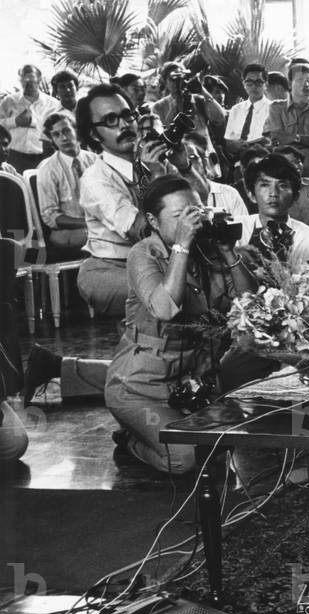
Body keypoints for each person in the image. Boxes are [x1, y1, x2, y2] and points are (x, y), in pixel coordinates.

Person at [104, 175, 257, 474]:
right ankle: (131, 441)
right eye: (179, 217)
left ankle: (161, 428)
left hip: (193, 382)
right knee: (184, 459)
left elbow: (251, 301)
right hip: (140, 388)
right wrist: (182, 245)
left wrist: (228, 251)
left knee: (220, 447)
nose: (192, 224)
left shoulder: (208, 252)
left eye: (195, 214)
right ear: (154, 220)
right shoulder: (143, 254)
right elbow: (165, 308)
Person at [76, 84, 207, 317]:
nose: (125, 125)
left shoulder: (151, 160)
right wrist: (157, 176)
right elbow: (142, 231)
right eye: (110, 120)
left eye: (128, 116)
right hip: (111, 267)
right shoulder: (95, 178)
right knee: (181, 295)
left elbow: (201, 202)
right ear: (94, 135)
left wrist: (184, 166)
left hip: (163, 258)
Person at [264, 60, 309, 185]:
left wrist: (295, 138)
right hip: (283, 166)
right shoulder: (276, 108)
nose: (306, 84)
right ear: (290, 84)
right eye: (300, 80)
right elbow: (277, 137)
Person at [36, 113, 97, 251]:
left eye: (67, 131)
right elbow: (50, 216)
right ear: (52, 140)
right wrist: (87, 223)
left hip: (99, 226)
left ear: (76, 131)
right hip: (68, 233)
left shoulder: (95, 160)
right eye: (56, 135)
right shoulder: (48, 169)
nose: (63, 138)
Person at [151, 61, 227, 151]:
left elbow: (220, 118)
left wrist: (202, 91)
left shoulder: (198, 100)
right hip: (179, 154)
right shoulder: (159, 107)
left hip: (204, 153)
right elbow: (163, 134)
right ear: (165, 82)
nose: (177, 83)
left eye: (180, 78)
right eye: (172, 79)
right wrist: (175, 103)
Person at [0, 65, 60, 171]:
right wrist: (15, 121)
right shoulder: (9, 101)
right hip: (13, 157)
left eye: (32, 80)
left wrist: (32, 122)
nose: (28, 84)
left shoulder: (53, 104)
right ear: (20, 81)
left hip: (42, 157)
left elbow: (57, 129)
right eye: (24, 80)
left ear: (39, 80)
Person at [223, 63, 272, 159]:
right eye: (249, 82)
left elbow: (274, 141)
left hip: (264, 160)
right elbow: (228, 142)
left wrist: (251, 145)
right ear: (244, 84)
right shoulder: (236, 109)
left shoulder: (274, 109)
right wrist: (235, 145)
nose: (253, 87)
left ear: (266, 85)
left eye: (258, 82)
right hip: (238, 161)